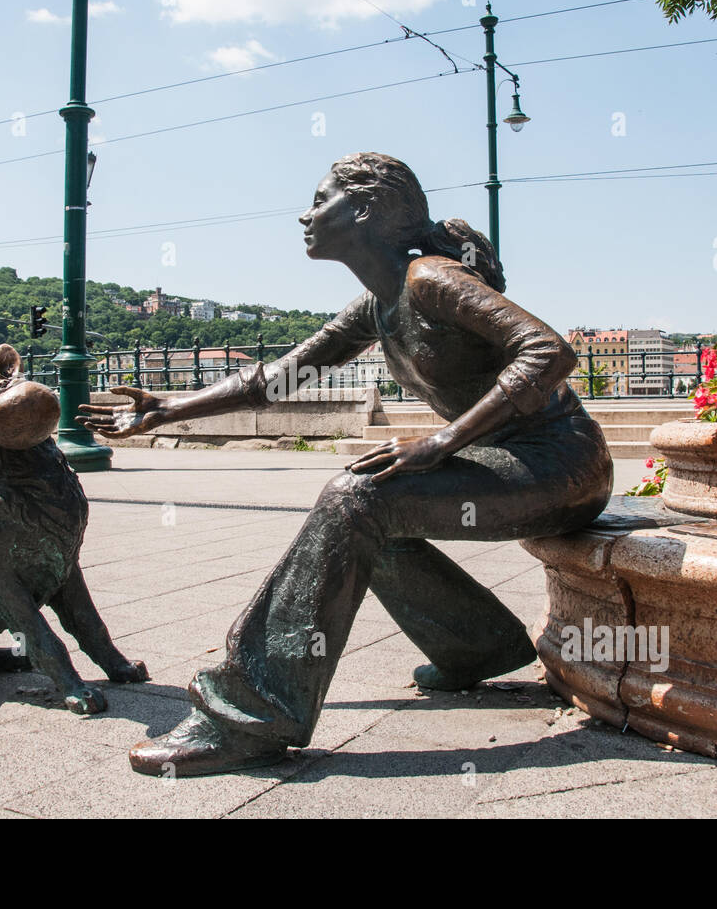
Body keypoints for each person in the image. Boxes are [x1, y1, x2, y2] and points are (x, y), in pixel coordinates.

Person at [77, 153, 614, 777]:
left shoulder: (431, 279)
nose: (305, 214)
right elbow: (279, 377)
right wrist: (167, 407)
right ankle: (477, 645)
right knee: (370, 498)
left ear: (365, 210)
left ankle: (251, 710)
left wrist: (442, 444)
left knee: (355, 500)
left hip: (562, 466)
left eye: (319, 198)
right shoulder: (378, 304)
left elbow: (548, 349)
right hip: (515, 459)